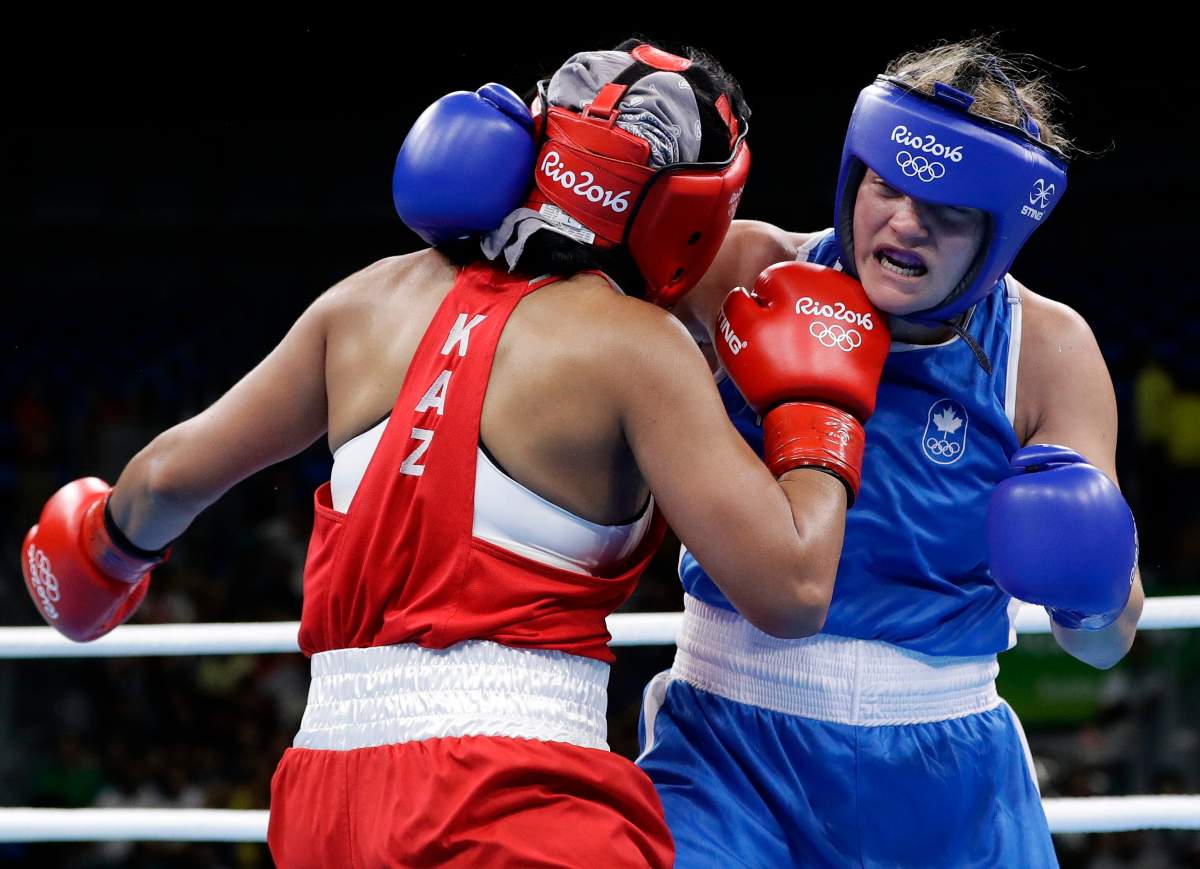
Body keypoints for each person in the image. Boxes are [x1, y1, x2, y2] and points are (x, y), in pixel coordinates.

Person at [20, 40, 892, 866]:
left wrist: (101, 549)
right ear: (690, 213)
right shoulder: (638, 347)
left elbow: (168, 477)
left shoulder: (366, 300)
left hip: (326, 794)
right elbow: (791, 589)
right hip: (517, 795)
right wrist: (815, 409)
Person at [637, 38, 1145, 868]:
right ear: (854, 175)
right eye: (887, 187)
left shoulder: (1047, 351)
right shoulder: (747, 269)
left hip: (948, 771)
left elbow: (1106, 639)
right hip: (730, 751)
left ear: (1001, 230)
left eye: (944, 209)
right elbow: (572, 316)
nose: (903, 223)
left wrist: (1090, 586)